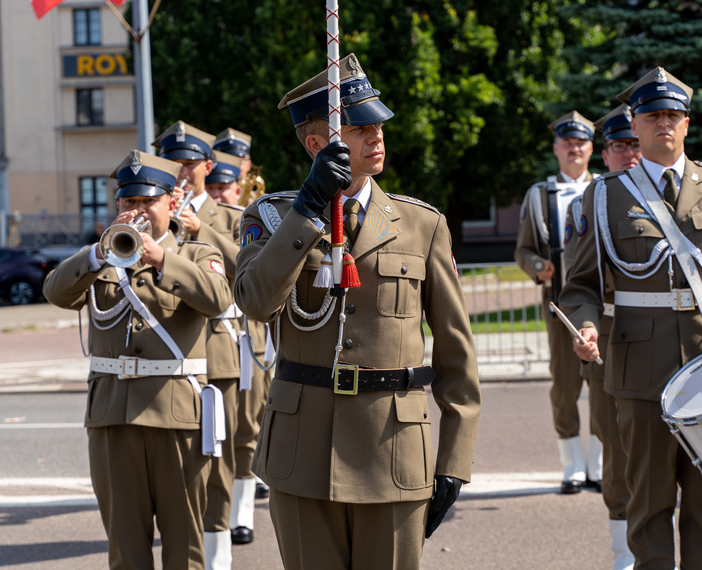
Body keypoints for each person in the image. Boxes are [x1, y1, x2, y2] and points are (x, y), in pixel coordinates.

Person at [233, 53, 481, 570]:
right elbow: (255, 301)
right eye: (359, 127)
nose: (376, 136)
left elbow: (457, 353)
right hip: (302, 454)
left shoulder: (421, 225)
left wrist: (454, 461)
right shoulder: (273, 216)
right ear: (316, 143)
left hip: (392, 449)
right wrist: (308, 207)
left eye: (378, 125)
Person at [561, 67, 702, 569]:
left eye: (673, 115)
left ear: (686, 124)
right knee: (649, 507)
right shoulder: (605, 196)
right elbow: (580, 287)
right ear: (633, 124)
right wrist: (586, 325)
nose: (664, 124)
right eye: (653, 115)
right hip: (640, 375)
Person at [42, 150, 232, 569]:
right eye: (128, 203)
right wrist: (96, 254)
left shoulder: (195, 254)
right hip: (113, 416)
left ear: (170, 202)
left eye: (147, 201)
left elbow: (218, 298)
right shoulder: (101, 258)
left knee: (184, 548)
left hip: (176, 415)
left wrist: (160, 258)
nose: (138, 211)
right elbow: (56, 292)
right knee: (125, 550)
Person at [154, 121, 246, 569]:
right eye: (173, 164)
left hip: (219, 353)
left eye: (189, 164)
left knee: (220, 454)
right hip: (170, 355)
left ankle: (218, 551)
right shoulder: (152, 213)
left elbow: (250, 271)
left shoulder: (230, 218)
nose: (181, 172)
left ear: (208, 167)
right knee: (180, 467)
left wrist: (201, 231)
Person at [561, 103, 637, 570]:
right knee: (619, 452)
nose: (630, 153)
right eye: (620, 145)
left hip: (676, 345)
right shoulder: (588, 203)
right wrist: (587, 327)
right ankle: (626, 553)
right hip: (612, 342)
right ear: (604, 153)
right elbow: (581, 282)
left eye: (635, 142)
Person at [514, 110, 602, 494]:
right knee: (565, 388)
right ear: (556, 148)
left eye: (581, 142)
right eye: (567, 142)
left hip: (602, 309)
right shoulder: (539, 195)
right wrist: (537, 266)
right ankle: (573, 468)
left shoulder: (606, 188)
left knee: (601, 388)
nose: (574, 148)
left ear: (591, 148)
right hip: (561, 309)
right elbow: (523, 250)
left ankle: (598, 467)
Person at [206, 146, 275, 544]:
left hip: (242, 333)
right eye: (212, 186)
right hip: (196, 340)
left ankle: (240, 513)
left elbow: (254, 267)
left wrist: (204, 232)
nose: (218, 193)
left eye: (224, 186)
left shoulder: (241, 218)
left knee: (245, 429)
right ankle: (211, 514)